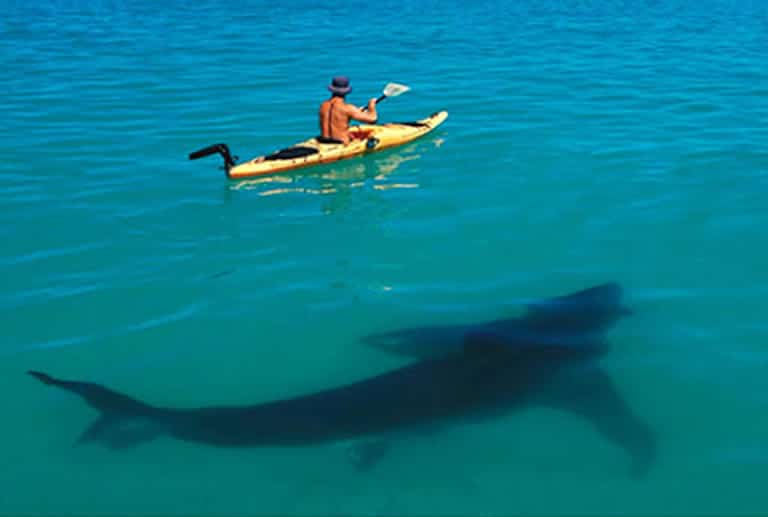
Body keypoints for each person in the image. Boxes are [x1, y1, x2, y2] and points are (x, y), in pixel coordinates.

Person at [319, 76, 378, 144]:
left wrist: (357, 111)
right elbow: (373, 119)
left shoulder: (323, 105)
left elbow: (338, 117)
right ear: (346, 91)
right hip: (340, 144)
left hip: (323, 141)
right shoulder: (348, 108)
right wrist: (371, 106)